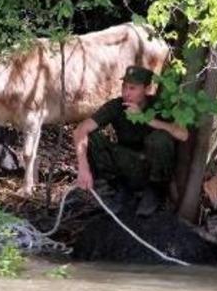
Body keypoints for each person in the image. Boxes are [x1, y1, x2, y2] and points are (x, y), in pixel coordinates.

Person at [73, 65, 189, 217]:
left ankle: (154, 192)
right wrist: (83, 167)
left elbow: (183, 135)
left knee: (160, 138)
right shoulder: (117, 106)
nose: (126, 93)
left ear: (147, 89)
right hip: (126, 164)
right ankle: (119, 190)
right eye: (124, 87)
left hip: (150, 168)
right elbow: (81, 129)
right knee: (93, 136)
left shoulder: (159, 107)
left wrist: (145, 118)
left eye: (132, 88)